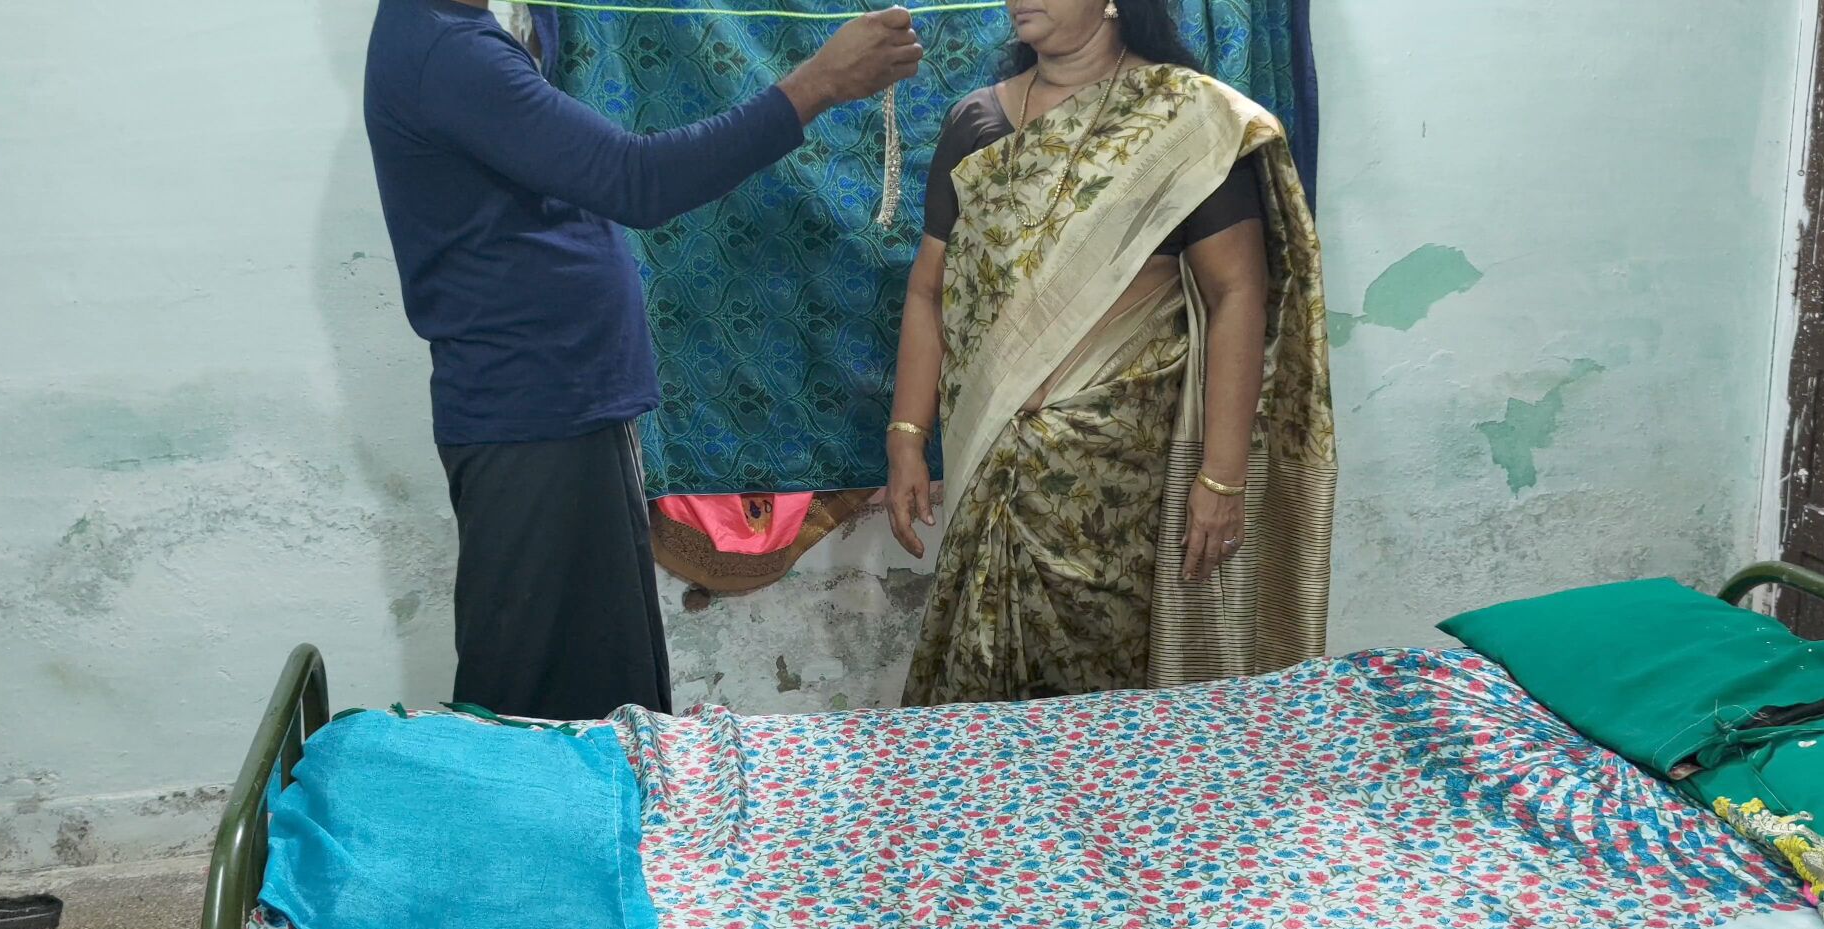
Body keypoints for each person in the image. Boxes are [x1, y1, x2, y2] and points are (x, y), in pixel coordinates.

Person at [361, 0, 920, 721]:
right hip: (533, 415)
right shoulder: (451, 54)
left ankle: (593, 794)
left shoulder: (465, 35)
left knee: (602, 685)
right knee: (535, 699)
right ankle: (527, 799)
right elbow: (636, 180)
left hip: (559, 403)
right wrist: (819, 84)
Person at [885, 0, 1334, 706]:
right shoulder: (974, 122)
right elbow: (928, 290)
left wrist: (1223, 478)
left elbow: (1237, 295)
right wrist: (906, 438)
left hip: (1119, 481)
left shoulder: (1185, 122)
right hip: (990, 457)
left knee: (1112, 697)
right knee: (978, 697)